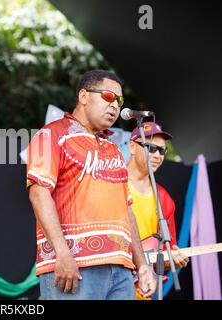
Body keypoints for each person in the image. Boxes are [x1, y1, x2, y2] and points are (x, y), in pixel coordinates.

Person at [27, 69, 157, 300]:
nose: (116, 106)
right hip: (75, 266)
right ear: (84, 96)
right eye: (108, 97)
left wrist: (142, 265)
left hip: (121, 269)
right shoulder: (52, 134)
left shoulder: (115, 150)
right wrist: (62, 254)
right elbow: (39, 194)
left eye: (120, 101)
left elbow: (127, 209)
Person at [126, 122, 189, 300]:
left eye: (162, 151)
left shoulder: (164, 199)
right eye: (151, 148)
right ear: (132, 146)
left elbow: (165, 254)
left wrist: (172, 261)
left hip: (143, 292)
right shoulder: (111, 184)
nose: (157, 155)